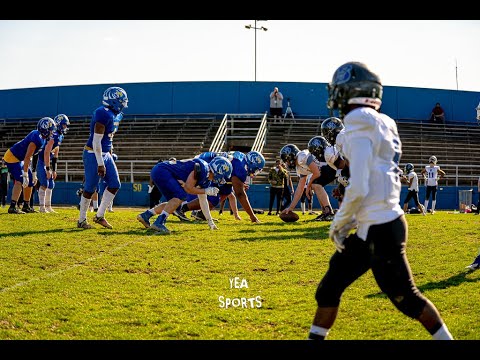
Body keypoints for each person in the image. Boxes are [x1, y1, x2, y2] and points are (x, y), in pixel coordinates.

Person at [308, 61, 453, 340]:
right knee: (328, 288)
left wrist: (340, 221)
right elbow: (369, 171)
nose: (337, 96)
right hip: (373, 224)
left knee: (407, 299)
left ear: (355, 91)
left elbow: (360, 183)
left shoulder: (359, 119)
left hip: (381, 227)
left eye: (341, 90)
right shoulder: (384, 121)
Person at [136, 156, 233, 234]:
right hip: (162, 171)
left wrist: (210, 221)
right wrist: (206, 191)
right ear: (219, 170)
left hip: (160, 171)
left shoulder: (206, 177)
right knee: (181, 196)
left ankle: (146, 215)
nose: (222, 179)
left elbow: (203, 201)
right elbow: (188, 188)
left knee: (174, 203)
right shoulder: (203, 169)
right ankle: (159, 222)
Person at [77, 86, 128, 229]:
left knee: (115, 184)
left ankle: (100, 216)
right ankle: (81, 220)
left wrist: (109, 154)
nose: (124, 104)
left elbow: (108, 138)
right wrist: (100, 163)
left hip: (105, 152)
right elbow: (96, 141)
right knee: (90, 188)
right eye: (121, 101)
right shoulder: (102, 113)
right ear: (114, 101)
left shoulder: (116, 114)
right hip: (93, 153)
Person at [177, 150, 265, 223]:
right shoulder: (241, 168)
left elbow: (233, 178)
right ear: (251, 163)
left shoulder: (241, 158)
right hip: (206, 166)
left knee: (226, 190)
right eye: (256, 169)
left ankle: (202, 214)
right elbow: (240, 194)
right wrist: (252, 216)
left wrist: (238, 183)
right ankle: (182, 208)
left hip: (214, 166)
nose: (255, 172)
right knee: (213, 197)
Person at [2, 117, 56, 214]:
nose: (52, 133)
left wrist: (33, 173)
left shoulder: (42, 139)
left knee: (31, 181)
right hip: (12, 157)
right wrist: (25, 173)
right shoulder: (36, 137)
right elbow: (27, 157)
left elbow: (34, 156)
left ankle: (26, 206)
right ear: (45, 129)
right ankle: (12, 207)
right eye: (51, 130)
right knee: (20, 180)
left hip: (20, 158)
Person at [279, 140, 336, 221]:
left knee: (315, 184)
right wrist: (290, 208)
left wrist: (308, 186)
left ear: (291, 156)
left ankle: (329, 212)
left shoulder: (301, 157)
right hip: (326, 168)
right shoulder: (299, 166)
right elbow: (300, 188)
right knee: (315, 184)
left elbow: (316, 173)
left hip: (332, 164)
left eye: (287, 160)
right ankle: (325, 212)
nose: (286, 163)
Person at [36, 114, 70, 213]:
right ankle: (42, 207)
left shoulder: (60, 135)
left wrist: (54, 169)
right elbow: (46, 152)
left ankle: (48, 206)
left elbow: (56, 152)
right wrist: (47, 169)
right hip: (40, 160)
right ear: (59, 124)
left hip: (46, 160)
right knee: (44, 183)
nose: (65, 127)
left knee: (51, 184)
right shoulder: (53, 135)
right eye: (64, 125)